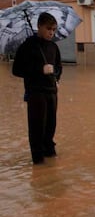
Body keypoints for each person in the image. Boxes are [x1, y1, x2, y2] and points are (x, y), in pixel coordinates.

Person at [12, 12, 62, 165]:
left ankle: (50, 154)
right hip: (36, 92)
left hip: (52, 92)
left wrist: (57, 78)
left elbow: (59, 67)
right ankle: (38, 160)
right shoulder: (27, 46)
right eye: (48, 29)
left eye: (54, 29)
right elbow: (16, 70)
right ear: (39, 26)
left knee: (50, 126)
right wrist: (40, 69)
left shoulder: (53, 47)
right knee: (37, 127)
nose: (51, 33)